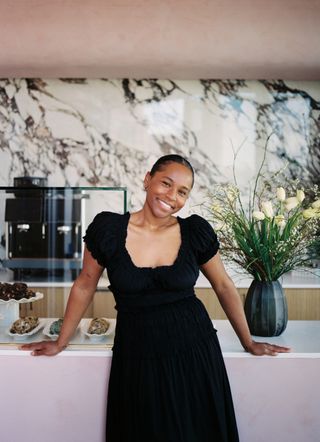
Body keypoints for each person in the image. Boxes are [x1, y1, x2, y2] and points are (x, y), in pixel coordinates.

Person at [21, 154, 290, 441]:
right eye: (166, 183)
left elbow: (223, 286)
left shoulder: (195, 232)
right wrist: (61, 341)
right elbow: (85, 284)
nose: (172, 196)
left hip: (194, 351)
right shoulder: (108, 229)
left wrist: (248, 342)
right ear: (148, 179)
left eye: (182, 192)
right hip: (137, 354)